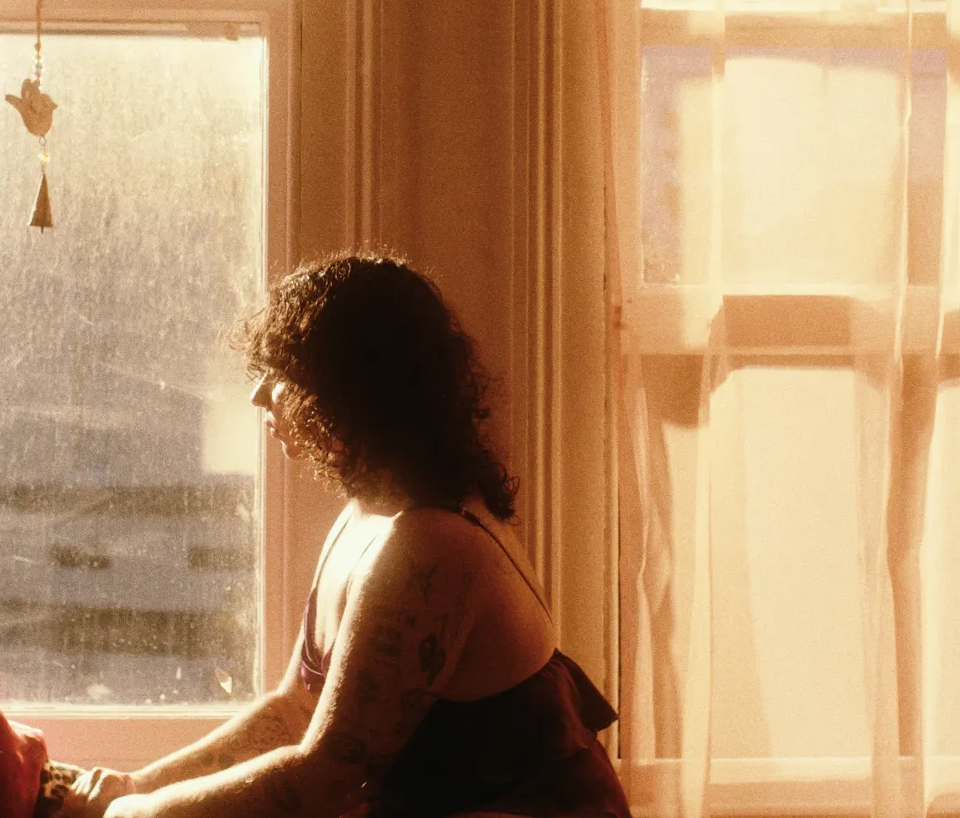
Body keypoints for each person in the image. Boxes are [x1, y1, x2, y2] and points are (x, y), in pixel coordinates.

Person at [66, 253, 629, 818]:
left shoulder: (431, 545)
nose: (260, 395)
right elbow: (293, 708)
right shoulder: (366, 516)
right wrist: (134, 786)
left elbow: (327, 777)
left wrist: (141, 814)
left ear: (347, 392)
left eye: (283, 376)